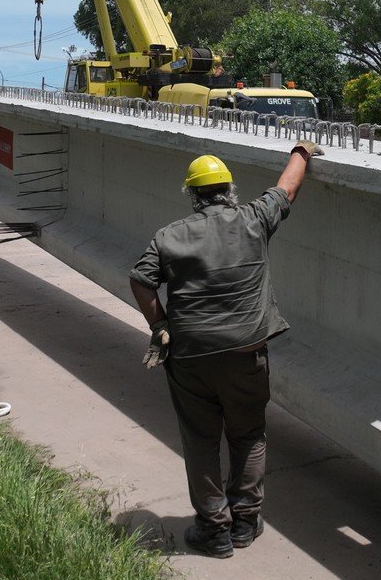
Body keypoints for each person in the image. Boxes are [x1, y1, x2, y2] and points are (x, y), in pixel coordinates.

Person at [128, 141, 321, 558]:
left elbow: (141, 279)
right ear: (230, 190)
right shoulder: (254, 220)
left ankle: (214, 530)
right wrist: (301, 152)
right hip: (245, 354)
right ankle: (245, 523)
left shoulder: (169, 237)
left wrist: (159, 325)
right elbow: (286, 189)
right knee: (248, 434)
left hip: (190, 358)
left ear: (194, 196)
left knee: (200, 439)